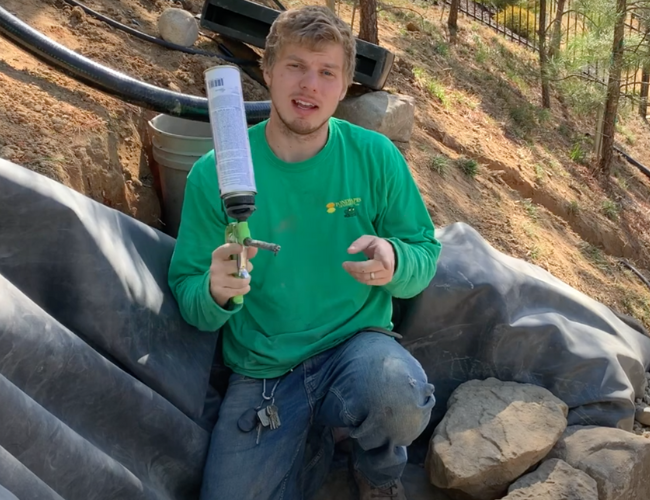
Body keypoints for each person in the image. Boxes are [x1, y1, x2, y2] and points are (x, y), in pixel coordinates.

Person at [168, 5, 442, 500]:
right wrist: (213, 291)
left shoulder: (374, 157)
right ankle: (314, 440)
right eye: (295, 66)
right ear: (268, 71)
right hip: (264, 370)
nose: (309, 84)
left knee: (396, 397)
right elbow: (187, 289)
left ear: (343, 87)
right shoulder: (217, 174)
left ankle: (377, 474)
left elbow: (424, 251)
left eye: (326, 72)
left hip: (355, 347)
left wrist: (396, 261)